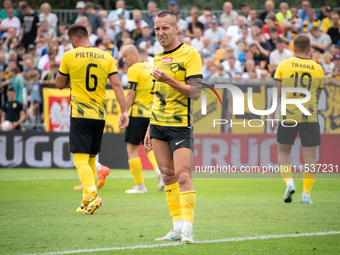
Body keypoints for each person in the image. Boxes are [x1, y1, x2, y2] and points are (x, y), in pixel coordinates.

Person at [56, 24, 129, 214]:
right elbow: (117, 85)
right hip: (99, 115)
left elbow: (60, 84)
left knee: (79, 159)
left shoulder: (69, 56)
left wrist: (73, 75)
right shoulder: (106, 56)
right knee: (90, 158)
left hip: (80, 114)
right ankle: (86, 202)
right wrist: (124, 111)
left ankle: (94, 195)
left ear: (73, 39)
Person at [144, 11, 202, 244]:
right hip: (157, 124)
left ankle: (188, 228)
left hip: (180, 125)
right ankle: (177, 227)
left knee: (183, 176)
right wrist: (149, 126)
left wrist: (169, 79)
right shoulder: (157, 57)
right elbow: (157, 95)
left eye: (165, 28)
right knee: (167, 175)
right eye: (157, 28)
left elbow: (196, 92)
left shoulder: (190, 53)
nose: (161, 33)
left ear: (176, 29)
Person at [270, 34, 324, 204]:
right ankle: (306, 195)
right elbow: (317, 96)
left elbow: (275, 94)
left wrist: (271, 116)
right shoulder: (318, 68)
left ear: (293, 48)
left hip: (288, 116)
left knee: (283, 152)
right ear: (310, 49)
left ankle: (290, 182)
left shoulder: (283, 65)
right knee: (309, 156)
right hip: (309, 116)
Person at [120, 44, 164, 193]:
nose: (124, 60)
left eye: (126, 56)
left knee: (132, 150)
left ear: (135, 55)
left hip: (137, 114)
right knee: (148, 147)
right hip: (151, 115)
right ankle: (159, 170)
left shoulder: (133, 69)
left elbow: (131, 93)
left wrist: (123, 112)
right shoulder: (149, 67)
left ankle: (140, 186)